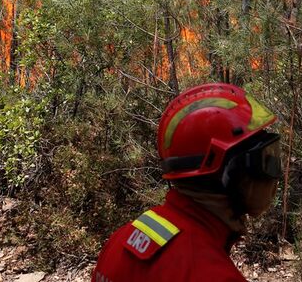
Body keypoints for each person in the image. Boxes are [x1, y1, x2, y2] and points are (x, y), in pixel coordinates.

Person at [92, 82, 282, 282]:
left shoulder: (121, 240)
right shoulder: (213, 274)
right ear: (228, 171)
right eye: (264, 159)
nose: (275, 174)